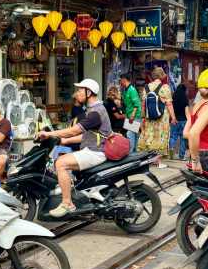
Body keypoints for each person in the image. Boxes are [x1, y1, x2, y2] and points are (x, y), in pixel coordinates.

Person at [37, 79, 111, 217]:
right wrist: (64, 141)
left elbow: (74, 130)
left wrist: (48, 134)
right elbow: (87, 136)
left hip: (96, 152)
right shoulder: (92, 109)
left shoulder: (95, 112)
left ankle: (67, 203)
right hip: (92, 149)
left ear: (88, 92)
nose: (76, 94)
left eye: (79, 90)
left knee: (61, 163)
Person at [138, 67, 175, 162]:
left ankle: (150, 159)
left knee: (149, 136)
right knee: (160, 136)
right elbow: (169, 104)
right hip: (162, 118)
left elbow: (143, 104)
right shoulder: (165, 87)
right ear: (162, 75)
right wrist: (173, 117)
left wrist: (142, 117)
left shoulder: (146, 87)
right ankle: (158, 161)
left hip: (149, 117)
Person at [119, 74, 141, 153]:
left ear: (124, 80)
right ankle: (135, 152)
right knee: (134, 134)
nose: (120, 81)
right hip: (129, 116)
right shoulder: (125, 90)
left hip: (134, 116)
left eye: (121, 80)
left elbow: (136, 104)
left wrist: (132, 115)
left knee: (130, 134)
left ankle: (130, 153)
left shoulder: (132, 90)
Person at [169, 82, 190, 160]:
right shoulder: (185, 98)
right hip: (183, 120)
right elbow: (186, 111)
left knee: (173, 136)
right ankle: (181, 156)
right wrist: (189, 120)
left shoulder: (173, 97)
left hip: (174, 120)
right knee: (183, 139)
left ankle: (171, 149)